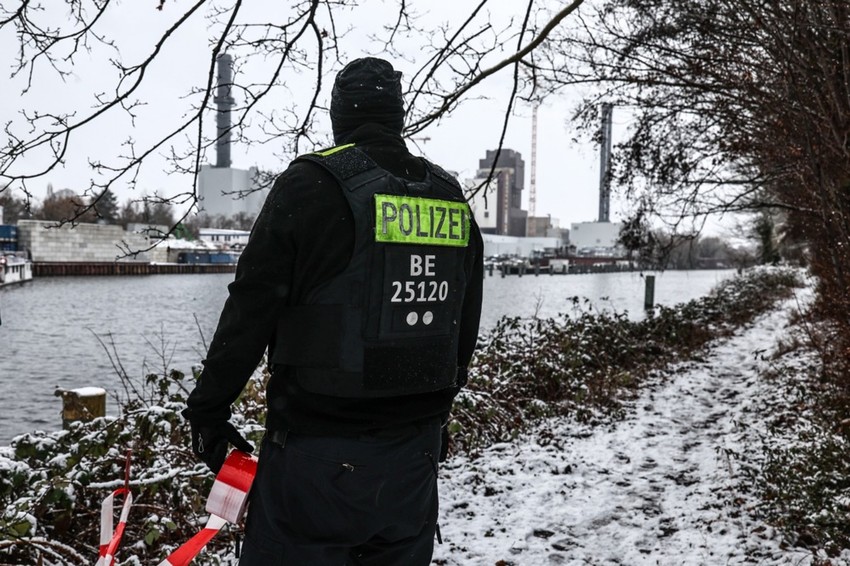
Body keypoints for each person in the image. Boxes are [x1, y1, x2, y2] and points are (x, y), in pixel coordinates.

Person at [182, 57, 483, 565]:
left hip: (316, 462)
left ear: (336, 116)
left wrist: (208, 412)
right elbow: (462, 326)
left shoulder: (310, 184)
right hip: (414, 460)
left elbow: (252, 307)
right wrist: (437, 414)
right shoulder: (450, 198)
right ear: (400, 115)